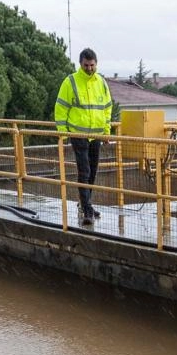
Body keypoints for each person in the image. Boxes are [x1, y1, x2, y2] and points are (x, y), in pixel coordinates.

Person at [53, 47, 114, 225]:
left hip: (96, 135)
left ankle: (85, 203)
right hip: (78, 134)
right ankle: (86, 209)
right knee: (84, 171)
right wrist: (63, 132)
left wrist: (106, 131)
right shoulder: (70, 82)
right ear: (80, 64)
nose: (89, 68)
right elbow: (61, 107)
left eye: (92, 65)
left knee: (93, 170)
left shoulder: (101, 82)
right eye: (86, 65)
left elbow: (107, 107)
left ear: (96, 64)